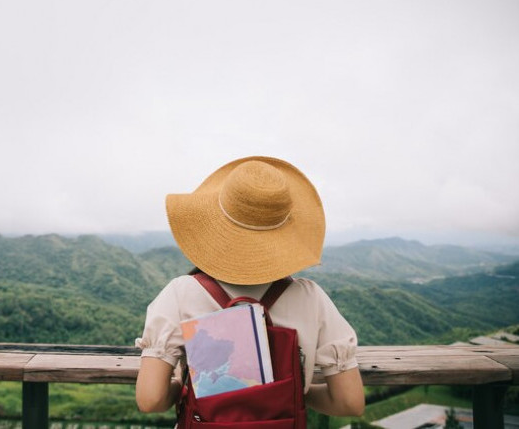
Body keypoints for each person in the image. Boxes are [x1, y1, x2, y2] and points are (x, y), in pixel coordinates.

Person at [135, 156, 365, 418]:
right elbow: (349, 402)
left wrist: (184, 389)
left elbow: (150, 400)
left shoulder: (181, 293)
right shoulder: (311, 298)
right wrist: (292, 391)